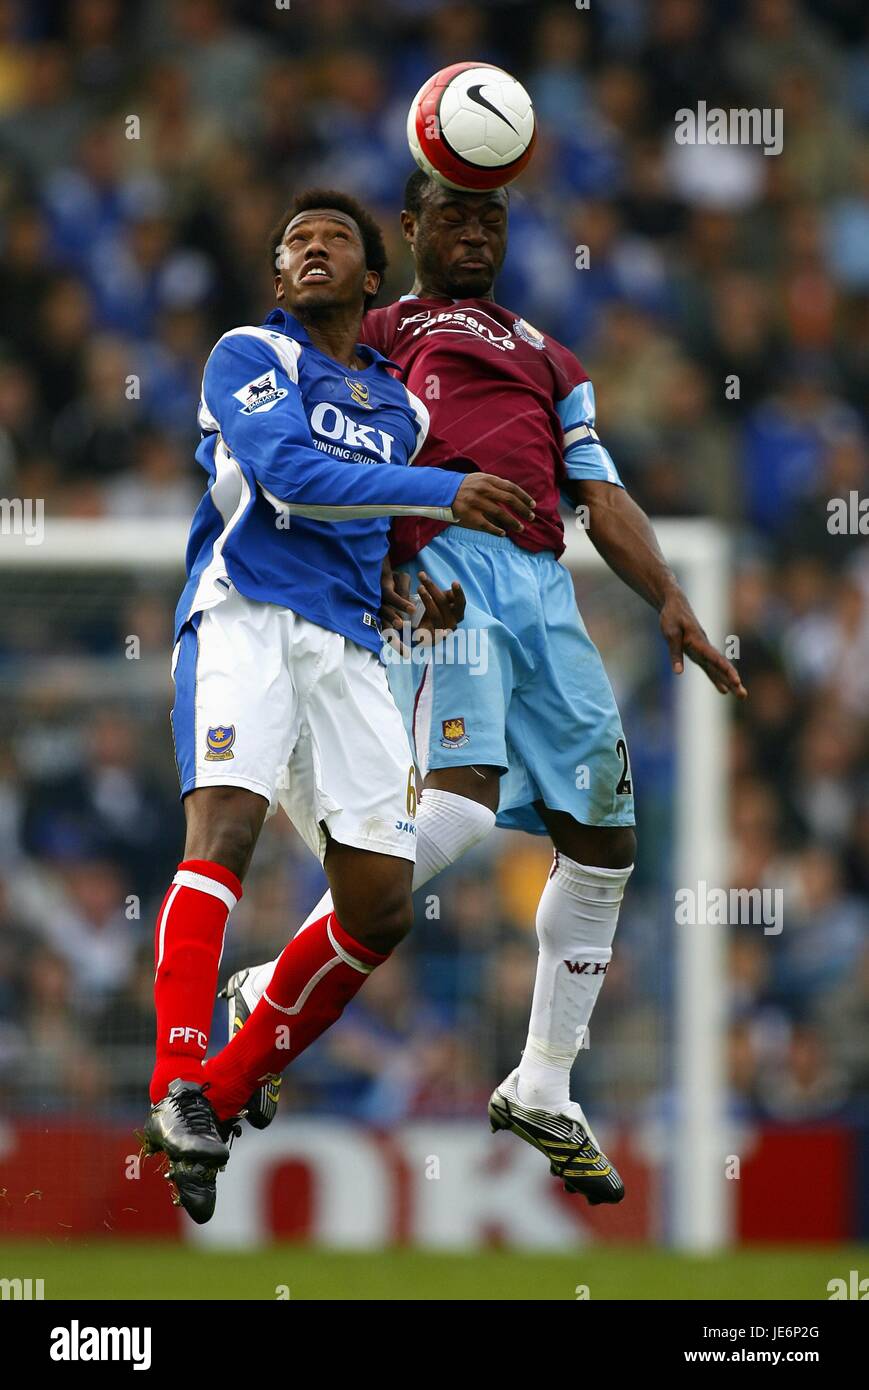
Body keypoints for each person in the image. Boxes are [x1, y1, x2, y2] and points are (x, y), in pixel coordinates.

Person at [220, 172, 747, 1207]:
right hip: (444, 560)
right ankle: (269, 980)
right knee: (455, 795)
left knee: (606, 837)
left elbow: (595, 490)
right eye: (451, 215)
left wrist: (669, 598)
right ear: (409, 231)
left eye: (490, 216)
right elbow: (315, 445)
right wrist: (382, 559)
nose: (472, 232)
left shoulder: (552, 357)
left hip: (543, 588)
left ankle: (542, 1082)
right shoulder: (376, 327)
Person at [142, 187, 534, 1223]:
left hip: (351, 646)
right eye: (294, 243)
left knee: (379, 903)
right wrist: (441, 498)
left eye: (333, 242)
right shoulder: (248, 356)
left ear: (373, 278)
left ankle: (224, 1088)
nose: (310, 251)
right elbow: (291, 479)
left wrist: (413, 571)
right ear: (278, 278)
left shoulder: (400, 406)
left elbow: (376, 529)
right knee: (223, 826)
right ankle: (173, 1084)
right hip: (246, 617)